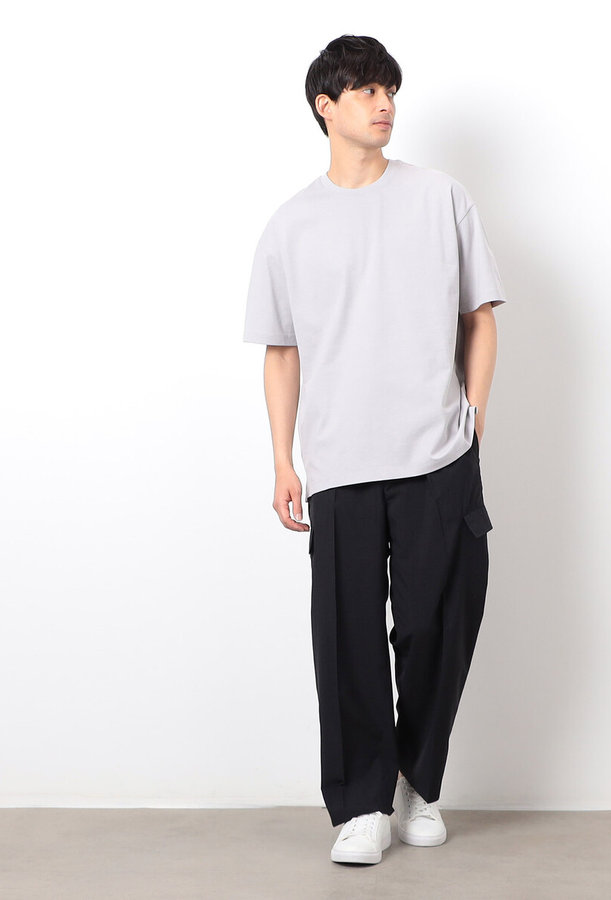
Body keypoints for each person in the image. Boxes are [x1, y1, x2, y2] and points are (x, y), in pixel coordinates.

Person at [243, 34, 509, 866]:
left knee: (438, 625)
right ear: (326, 106)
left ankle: (417, 782)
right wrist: (282, 460)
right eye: (365, 90)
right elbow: (280, 351)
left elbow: (480, 317)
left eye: (390, 89)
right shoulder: (291, 225)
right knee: (347, 638)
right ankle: (361, 804)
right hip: (340, 460)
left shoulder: (440, 198)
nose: (385, 103)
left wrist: (472, 421)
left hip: (438, 452)